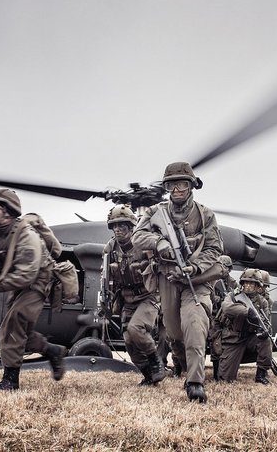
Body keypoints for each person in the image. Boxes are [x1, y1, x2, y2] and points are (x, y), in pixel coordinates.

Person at [132, 162, 224, 403]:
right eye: (172, 185)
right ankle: (181, 362)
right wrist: (159, 242)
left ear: (191, 185)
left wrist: (195, 266)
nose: (177, 190)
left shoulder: (205, 215)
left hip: (197, 280)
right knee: (173, 331)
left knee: (195, 323)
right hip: (168, 278)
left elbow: (215, 248)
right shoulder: (156, 212)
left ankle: (195, 382)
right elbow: (137, 237)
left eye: (182, 183)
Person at [0, 188, 67, 391]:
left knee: (13, 324)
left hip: (37, 282)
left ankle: (11, 379)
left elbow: (26, 275)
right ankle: (52, 351)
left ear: (9, 211)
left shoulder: (26, 235)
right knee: (20, 331)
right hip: (17, 283)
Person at [103, 204, 165, 386]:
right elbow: (105, 276)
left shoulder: (144, 245)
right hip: (127, 298)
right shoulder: (110, 248)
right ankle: (149, 376)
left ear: (131, 227)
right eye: (114, 226)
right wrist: (106, 300)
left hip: (148, 295)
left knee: (136, 329)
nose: (118, 229)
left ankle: (156, 362)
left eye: (122, 225)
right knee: (129, 341)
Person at [217, 268, 273, 385]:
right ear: (242, 283)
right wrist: (248, 312)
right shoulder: (232, 296)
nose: (248, 286)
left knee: (266, 340)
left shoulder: (262, 302)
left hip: (251, 338)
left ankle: (261, 374)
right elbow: (227, 308)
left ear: (258, 286)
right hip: (234, 338)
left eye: (252, 283)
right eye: (246, 282)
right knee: (225, 379)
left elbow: (267, 323)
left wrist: (264, 330)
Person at [209, 255, 238, 380]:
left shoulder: (233, 283)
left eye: (226, 267)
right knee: (216, 343)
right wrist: (220, 299)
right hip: (215, 316)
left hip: (227, 317)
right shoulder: (212, 280)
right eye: (221, 266)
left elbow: (237, 298)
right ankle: (216, 374)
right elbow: (208, 298)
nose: (223, 269)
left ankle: (225, 371)